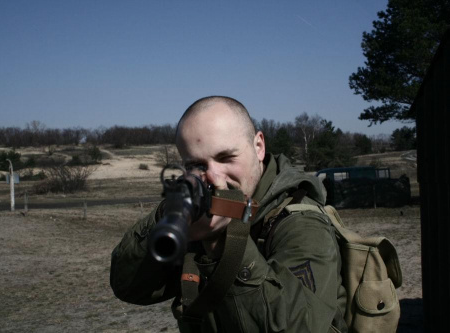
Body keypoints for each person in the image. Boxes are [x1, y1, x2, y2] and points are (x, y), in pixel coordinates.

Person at [110, 96, 347, 332]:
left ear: (258, 147)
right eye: (196, 165)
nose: (214, 176)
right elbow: (128, 286)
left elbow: (299, 327)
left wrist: (222, 241)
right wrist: (167, 215)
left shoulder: (301, 224)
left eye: (226, 158)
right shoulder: (195, 215)